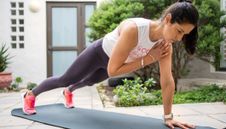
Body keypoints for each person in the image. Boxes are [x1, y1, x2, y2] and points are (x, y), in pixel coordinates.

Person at [22, 0, 199, 128]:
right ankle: (31, 95)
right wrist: (149, 58)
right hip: (99, 53)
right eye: (179, 31)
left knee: (90, 81)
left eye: (184, 35)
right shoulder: (135, 29)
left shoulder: (164, 46)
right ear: (168, 19)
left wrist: (168, 117)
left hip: (115, 63)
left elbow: (167, 81)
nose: (179, 38)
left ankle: (69, 91)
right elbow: (113, 70)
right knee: (66, 78)